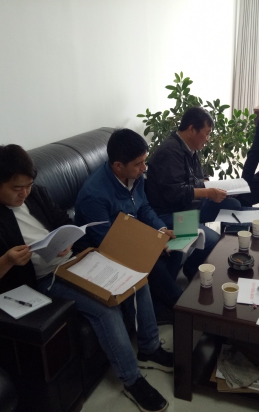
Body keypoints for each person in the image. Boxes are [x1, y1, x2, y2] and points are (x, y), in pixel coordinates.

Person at [0, 144, 172, 412]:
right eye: (16, 189)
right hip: (42, 280)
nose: (24, 193)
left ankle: (150, 347)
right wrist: (7, 261)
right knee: (105, 308)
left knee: (135, 277)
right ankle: (132, 381)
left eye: (28, 186)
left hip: (73, 261)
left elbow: (62, 220)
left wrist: (67, 238)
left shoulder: (36, 194)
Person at [74, 129, 184, 324]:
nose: (144, 167)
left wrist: (160, 231)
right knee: (152, 263)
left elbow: (144, 207)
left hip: (133, 234)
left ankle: (160, 308)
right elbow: (107, 243)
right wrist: (148, 245)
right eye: (139, 163)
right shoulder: (94, 195)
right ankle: (182, 307)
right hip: (103, 250)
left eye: (144, 161)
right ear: (118, 166)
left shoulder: (135, 175)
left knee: (175, 247)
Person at [146, 106, 241, 280]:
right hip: (172, 213)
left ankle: (232, 254)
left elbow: (196, 179)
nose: (208, 139)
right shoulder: (170, 152)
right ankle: (192, 269)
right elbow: (176, 194)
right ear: (191, 129)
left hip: (189, 206)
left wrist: (216, 186)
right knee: (213, 240)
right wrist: (208, 192)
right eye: (207, 133)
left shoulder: (190, 148)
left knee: (232, 206)